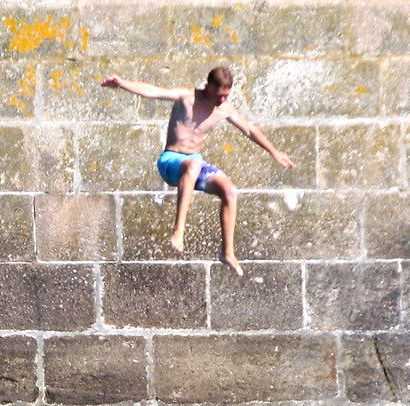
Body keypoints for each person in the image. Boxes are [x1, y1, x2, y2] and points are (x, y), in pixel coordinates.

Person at [100, 66, 296, 274]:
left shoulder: (224, 109)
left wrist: (274, 152)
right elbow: (152, 91)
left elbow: (249, 129)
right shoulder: (187, 97)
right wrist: (121, 83)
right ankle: (179, 230)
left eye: (226, 96)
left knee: (229, 190)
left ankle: (227, 252)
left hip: (195, 162)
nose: (221, 101)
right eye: (219, 95)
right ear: (208, 87)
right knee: (192, 166)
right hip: (171, 161)